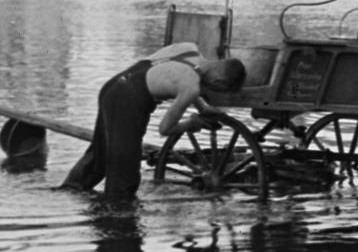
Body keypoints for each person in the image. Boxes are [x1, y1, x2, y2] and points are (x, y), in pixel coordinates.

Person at [62, 42, 247, 198]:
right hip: (129, 100)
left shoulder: (189, 48)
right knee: (125, 168)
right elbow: (165, 129)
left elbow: (181, 76)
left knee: (102, 153)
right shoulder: (191, 86)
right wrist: (191, 124)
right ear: (218, 83)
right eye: (216, 92)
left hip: (113, 88)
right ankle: (118, 216)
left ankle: (69, 192)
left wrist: (203, 109)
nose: (210, 94)